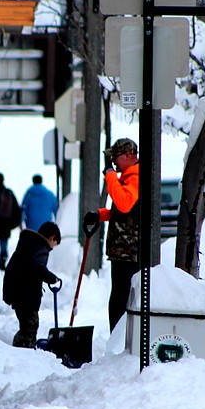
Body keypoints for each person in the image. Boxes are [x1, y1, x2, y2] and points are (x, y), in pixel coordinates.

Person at [82, 138, 141, 332]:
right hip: (123, 251)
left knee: (120, 300)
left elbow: (124, 204)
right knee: (118, 297)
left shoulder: (135, 177)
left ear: (127, 156)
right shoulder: (128, 177)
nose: (113, 162)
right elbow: (123, 212)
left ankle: (119, 340)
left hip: (129, 252)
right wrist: (100, 214)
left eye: (115, 157)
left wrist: (110, 177)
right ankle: (117, 338)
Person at [2, 221, 62, 349]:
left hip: (16, 291)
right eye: (53, 245)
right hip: (25, 294)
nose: (51, 248)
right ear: (52, 238)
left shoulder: (28, 243)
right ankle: (24, 351)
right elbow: (37, 267)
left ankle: (20, 349)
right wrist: (52, 278)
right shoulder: (41, 247)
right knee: (30, 326)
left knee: (26, 325)